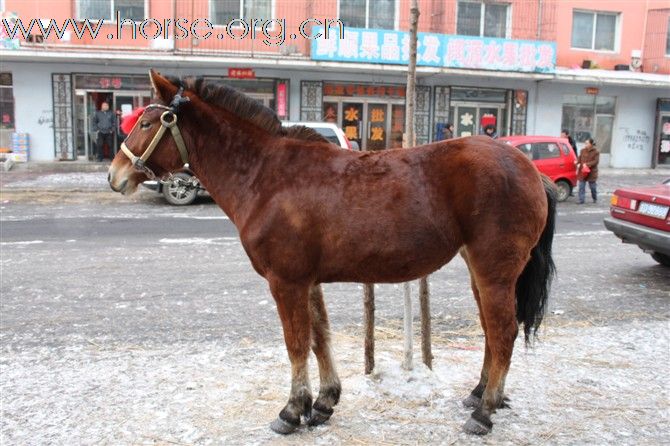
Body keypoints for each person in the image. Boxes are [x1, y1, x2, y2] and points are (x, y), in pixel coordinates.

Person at [577, 138, 600, 204]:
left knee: (593, 187)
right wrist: (576, 162)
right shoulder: (582, 150)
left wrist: (587, 164)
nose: (585, 144)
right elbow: (579, 158)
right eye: (585, 143)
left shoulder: (596, 152)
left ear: (591, 144)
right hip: (583, 172)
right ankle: (581, 200)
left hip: (591, 172)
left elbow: (596, 161)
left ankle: (594, 198)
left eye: (587, 143)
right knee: (581, 187)